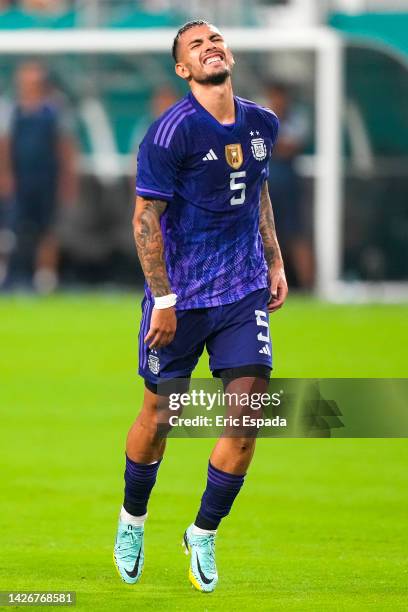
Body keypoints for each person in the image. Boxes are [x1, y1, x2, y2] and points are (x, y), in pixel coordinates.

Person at [113, 20, 288, 593]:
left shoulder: (263, 123)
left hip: (241, 292)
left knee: (246, 421)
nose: (210, 46)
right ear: (182, 70)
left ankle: (204, 533)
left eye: (215, 38)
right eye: (196, 44)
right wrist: (163, 298)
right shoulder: (170, 134)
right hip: (180, 301)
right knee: (160, 417)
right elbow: (145, 218)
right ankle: (133, 520)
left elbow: (258, 189)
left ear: (228, 53)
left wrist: (276, 261)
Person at [0, 61, 77, 292]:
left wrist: (67, 179)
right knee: (8, 227)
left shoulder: (55, 108)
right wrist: (5, 174)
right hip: (20, 177)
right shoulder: (10, 107)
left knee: (48, 227)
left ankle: (45, 278)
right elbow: (5, 144)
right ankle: (6, 273)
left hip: (46, 177)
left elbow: (65, 145)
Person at [266, 82, 314, 289]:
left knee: (296, 235)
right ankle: (262, 284)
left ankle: (308, 286)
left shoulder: (297, 118)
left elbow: (291, 146)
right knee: (263, 233)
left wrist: (271, 145)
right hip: (265, 184)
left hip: (289, 184)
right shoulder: (261, 116)